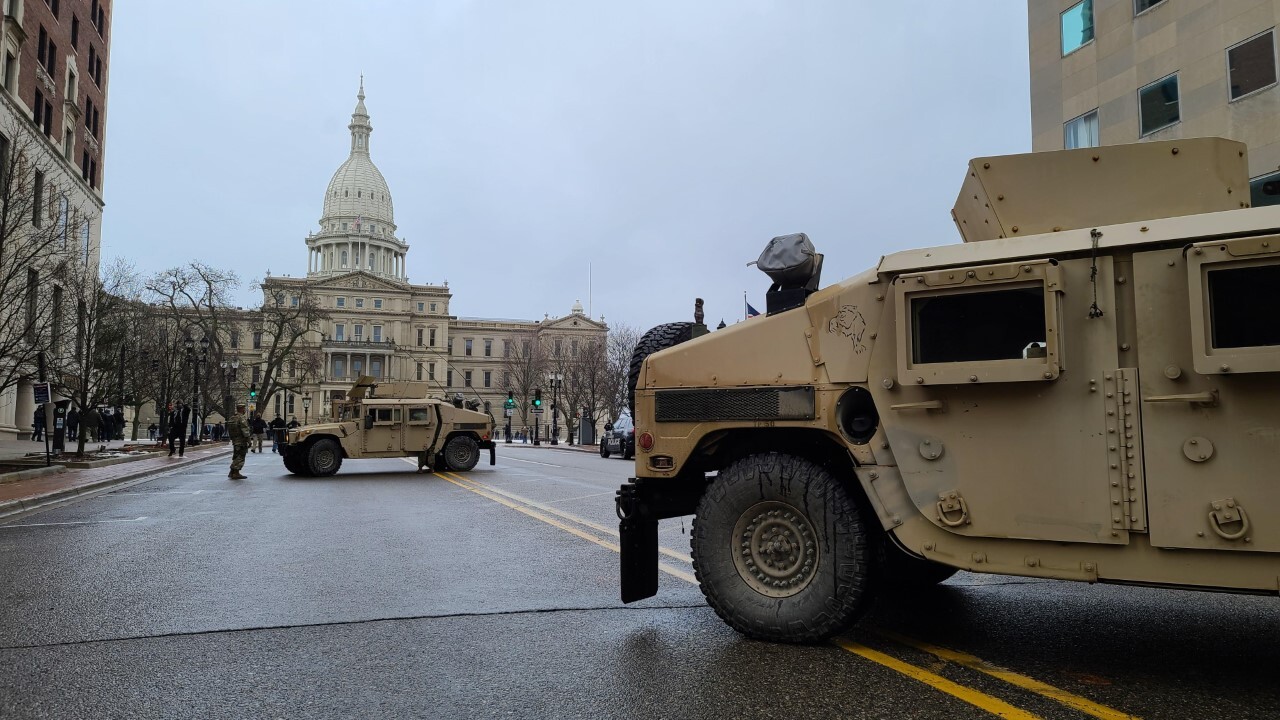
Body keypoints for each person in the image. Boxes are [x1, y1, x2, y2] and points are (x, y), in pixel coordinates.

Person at [226, 402, 250, 480]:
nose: (245, 410)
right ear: (242, 409)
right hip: (241, 440)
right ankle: (236, 472)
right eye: (244, 408)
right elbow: (245, 430)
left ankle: (232, 472)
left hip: (235, 440)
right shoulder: (241, 418)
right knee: (240, 456)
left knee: (236, 456)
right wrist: (248, 440)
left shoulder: (232, 418)